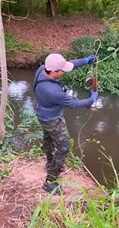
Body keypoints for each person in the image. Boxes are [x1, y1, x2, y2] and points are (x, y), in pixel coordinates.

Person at [33, 53, 98, 195]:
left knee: (48, 139)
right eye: (62, 70)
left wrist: (86, 60)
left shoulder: (42, 70)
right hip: (53, 119)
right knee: (63, 146)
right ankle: (50, 182)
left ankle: (50, 163)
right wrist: (91, 100)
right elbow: (74, 104)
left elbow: (71, 64)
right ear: (55, 72)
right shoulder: (53, 92)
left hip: (42, 114)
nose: (65, 71)